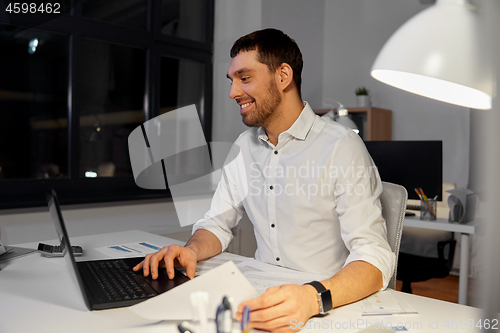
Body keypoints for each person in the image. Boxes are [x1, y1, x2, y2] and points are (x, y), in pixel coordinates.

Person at [134, 28, 394, 332]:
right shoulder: (244, 147)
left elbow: (374, 255)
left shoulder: (340, 146)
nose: (233, 92)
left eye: (245, 78)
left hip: (322, 306)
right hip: (260, 299)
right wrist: (190, 250)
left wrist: (312, 298)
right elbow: (216, 223)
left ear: (283, 76)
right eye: (232, 81)